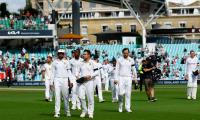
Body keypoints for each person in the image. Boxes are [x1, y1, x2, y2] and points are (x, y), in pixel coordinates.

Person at [50, 49, 73, 118]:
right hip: (57, 79)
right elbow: (52, 73)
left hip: (65, 79)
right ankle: (57, 112)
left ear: (64, 54)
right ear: (58, 54)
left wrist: (71, 81)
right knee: (57, 96)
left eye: (62, 53)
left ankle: (67, 111)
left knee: (66, 97)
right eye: (59, 53)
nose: (61, 54)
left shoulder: (66, 62)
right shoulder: (54, 62)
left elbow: (69, 72)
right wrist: (51, 82)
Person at [77, 50, 98, 119]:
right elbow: (77, 71)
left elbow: (97, 72)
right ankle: (84, 110)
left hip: (90, 82)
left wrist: (90, 75)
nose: (83, 55)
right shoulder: (80, 63)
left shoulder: (93, 63)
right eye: (83, 54)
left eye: (85, 54)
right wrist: (77, 76)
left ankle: (90, 113)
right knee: (80, 96)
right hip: (82, 82)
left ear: (89, 55)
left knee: (90, 98)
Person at [115, 48, 137, 113]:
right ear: (122, 53)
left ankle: (128, 108)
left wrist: (135, 78)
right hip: (121, 77)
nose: (126, 54)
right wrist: (116, 79)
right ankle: (120, 105)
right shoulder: (119, 60)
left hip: (128, 78)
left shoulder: (131, 60)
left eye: (127, 53)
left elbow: (133, 69)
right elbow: (117, 70)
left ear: (129, 53)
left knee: (128, 94)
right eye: (124, 53)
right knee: (120, 93)